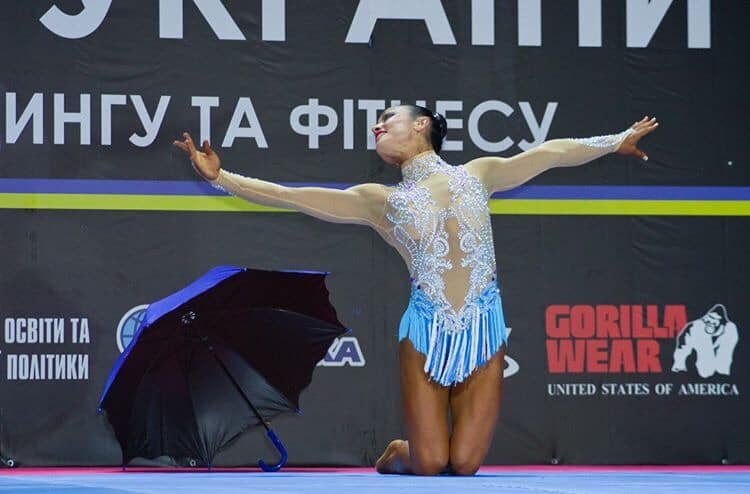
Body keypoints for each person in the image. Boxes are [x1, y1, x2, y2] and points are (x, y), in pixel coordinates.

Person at [174, 106, 658, 475]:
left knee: (464, 464)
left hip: (483, 327)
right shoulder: (379, 201)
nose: (378, 126)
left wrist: (615, 141)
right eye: (377, 123)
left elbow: (550, 154)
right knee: (429, 464)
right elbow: (293, 198)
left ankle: (428, 448)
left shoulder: (478, 174)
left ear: (422, 124)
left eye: (388, 118)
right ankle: (397, 453)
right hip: (426, 330)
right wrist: (223, 178)